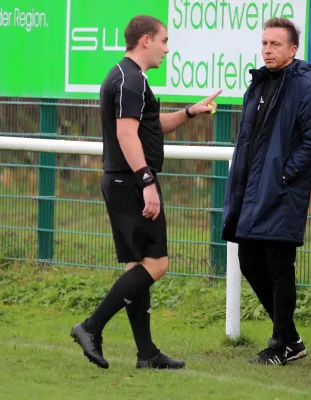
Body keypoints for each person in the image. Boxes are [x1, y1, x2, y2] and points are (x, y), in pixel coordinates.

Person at [70, 15, 221, 369]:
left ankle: (147, 354)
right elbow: (126, 135)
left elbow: (150, 124)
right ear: (146, 41)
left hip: (123, 181)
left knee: (137, 266)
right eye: (164, 41)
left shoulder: (131, 77)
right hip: (130, 182)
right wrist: (147, 181)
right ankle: (90, 327)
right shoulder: (130, 80)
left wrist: (190, 111)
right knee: (157, 263)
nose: (167, 49)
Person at [222, 17, 311, 365]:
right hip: (253, 191)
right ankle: (290, 336)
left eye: (275, 44)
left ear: (293, 49)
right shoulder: (257, 84)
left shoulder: (306, 87)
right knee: (249, 259)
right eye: (264, 44)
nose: (267, 50)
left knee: (280, 268)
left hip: (284, 192)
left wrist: (285, 175)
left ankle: (281, 343)